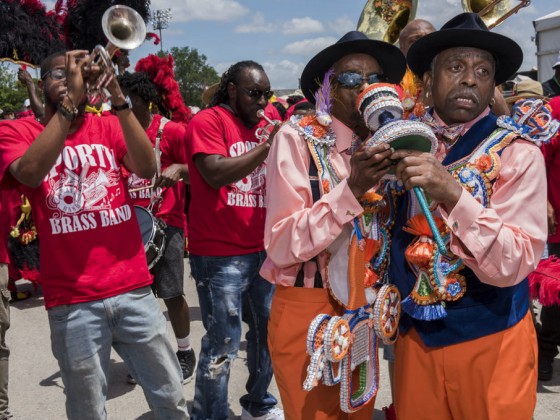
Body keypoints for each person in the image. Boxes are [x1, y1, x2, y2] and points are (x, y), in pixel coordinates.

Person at [0, 50, 189, 419]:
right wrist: (70, 104)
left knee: (170, 399)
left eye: (76, 74)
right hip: (73, 302)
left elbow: (147, 166)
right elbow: (30, 173)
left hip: (134, 290)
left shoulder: (107, 124)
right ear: (41, 85)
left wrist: (118, 97)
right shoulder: (17, 130)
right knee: (88, 411)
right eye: (58, 74)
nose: (69, 80)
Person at [388, 13, 546, 418]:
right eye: (456, 67)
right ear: (427, 79)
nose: (470, 79)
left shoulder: (518, 153)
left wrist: (453, 194)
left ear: (494, 85)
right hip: (416, 341)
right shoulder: (399, 142)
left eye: (483, 71)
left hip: (493, 341)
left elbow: (515, 260)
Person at [260, 31, 406, 419]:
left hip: (366, 306)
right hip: (308, 304)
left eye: (375, 79)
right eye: (351, 80)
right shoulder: (296, 139)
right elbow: (280, 244)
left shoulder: (386, 142)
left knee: (359, 409)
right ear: (326, 90)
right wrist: (352, 189)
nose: (365, 88)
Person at [185, 60, 283, 420]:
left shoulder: (268, 118)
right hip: (219, 255)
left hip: (263, 250)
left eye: (267, 93)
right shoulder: (207, 122)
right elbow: (214, 174)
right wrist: (266, 147)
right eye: (254, 93)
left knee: (268, 335)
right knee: (223, 344)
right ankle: (209, 415)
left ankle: (257, 404)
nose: (263, 101)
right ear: (231, 90)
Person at [118, 71, 196, 384]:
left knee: (172, 293)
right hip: (129, 226)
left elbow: (201, 171)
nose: (115, 104)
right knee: (139, 299)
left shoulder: (172, 131)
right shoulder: (118, 132)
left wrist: (179, 170)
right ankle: (149, 357)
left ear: (140, 100)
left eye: (122, 98)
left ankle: (184, 351)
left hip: (168, 222)